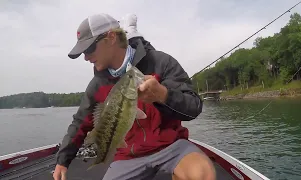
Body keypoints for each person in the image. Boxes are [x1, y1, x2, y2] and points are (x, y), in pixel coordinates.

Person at [53, 13, 216, 180]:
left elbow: (194, 107)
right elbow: (80, 122)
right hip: (128, 156)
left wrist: (163, 95)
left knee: (202, 174)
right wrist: (62, 161)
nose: (86, 57)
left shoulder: (161, 62)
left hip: (171, 145)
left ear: (111, 38)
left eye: (89, 49)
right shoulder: (97, 86)